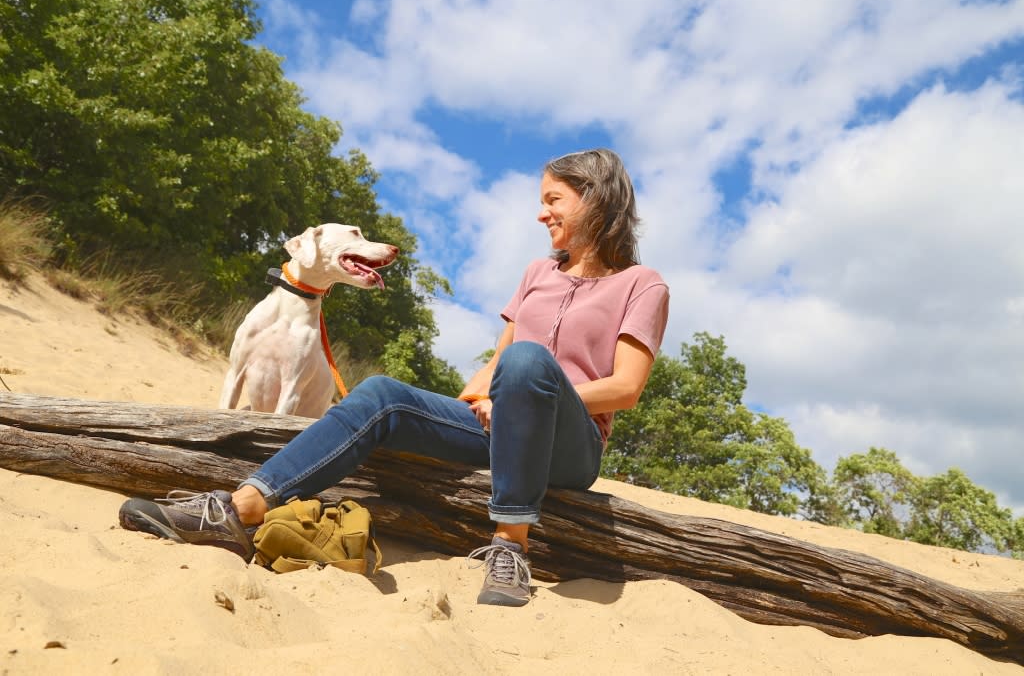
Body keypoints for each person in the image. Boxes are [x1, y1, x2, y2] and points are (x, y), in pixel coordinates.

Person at [119, 148, 670, 607]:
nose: (540, 214)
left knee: (528, 366)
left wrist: (527, 398)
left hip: (571, 448)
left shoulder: (642, 284)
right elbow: (495, 361)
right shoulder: (536, 273)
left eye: (553, 200)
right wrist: (472, 401)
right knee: (383, 393)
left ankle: (510, 550)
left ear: (595, 200)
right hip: (502, 426)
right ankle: (239, 509)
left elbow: (626, 387)